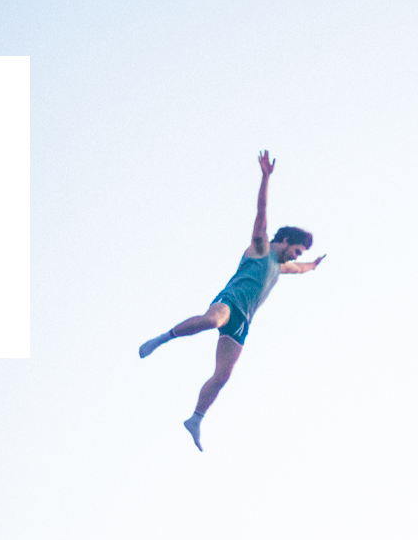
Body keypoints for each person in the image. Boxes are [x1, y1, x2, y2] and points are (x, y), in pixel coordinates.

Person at [139, 151, 325, 450]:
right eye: (297, 250)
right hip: (229, 303)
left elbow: (299, 269)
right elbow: (261, 215)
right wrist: (265, 178)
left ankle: (195, 419)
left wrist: (312, 265)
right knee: (212, 320)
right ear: (285, 241)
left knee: (224, 374)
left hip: (243, 322)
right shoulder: (261, 247)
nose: (296, 256)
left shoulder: (281, 266)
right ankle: (163, 338)